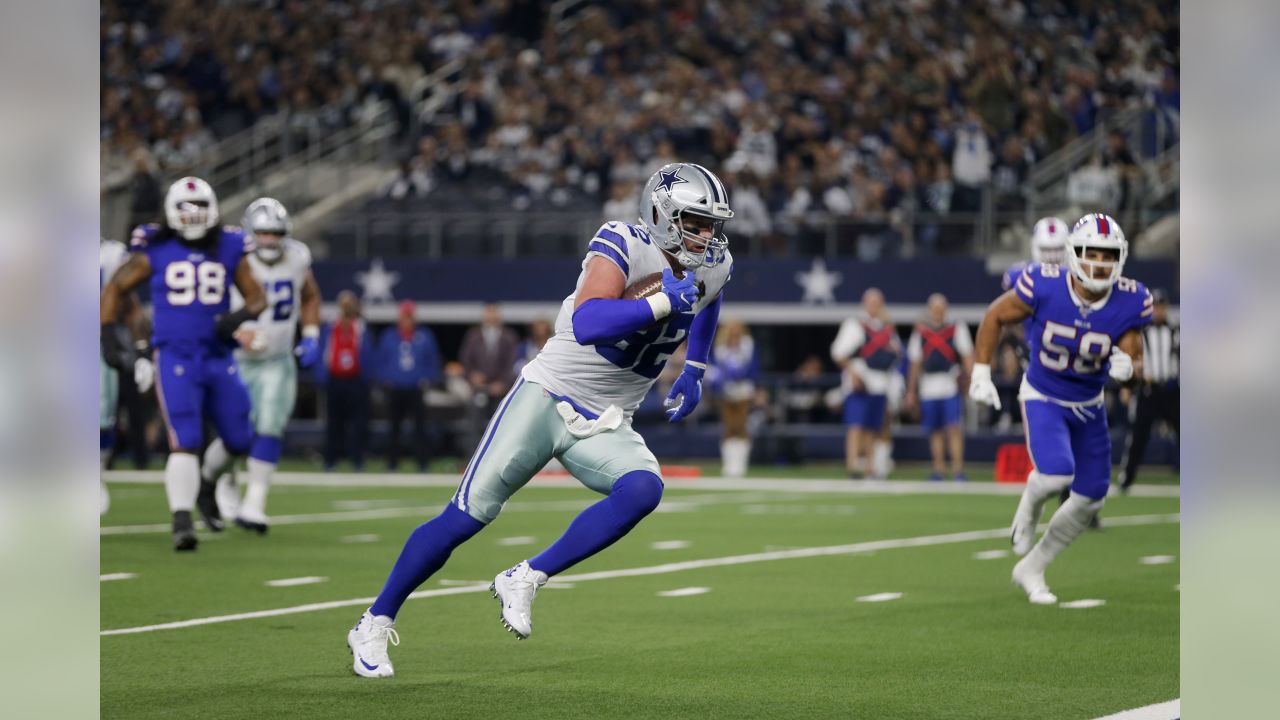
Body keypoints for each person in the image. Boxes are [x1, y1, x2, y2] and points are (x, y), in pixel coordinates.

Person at [346, 162, 734, 678]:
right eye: (695, 222)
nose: (708, 237)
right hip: (548, 396)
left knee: (643, 489)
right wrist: (662, 300)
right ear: (662, 215)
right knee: (465, 517)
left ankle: (527, 576)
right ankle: (374, 621)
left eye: (713, 224)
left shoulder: (713, 261)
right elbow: (588, 320)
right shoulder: (621, 241)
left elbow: (710, 297)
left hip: (609, 417)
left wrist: (697, 366)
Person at [969, 213, 1150, 604]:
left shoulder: (1131, 299)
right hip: (1044, 394)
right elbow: (995, 315)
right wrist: (980, 373)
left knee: (1090, 498)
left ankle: (1033, 568)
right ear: (1072, 254)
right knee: (1054, 476)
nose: (1099, 263)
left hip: (1088, 404)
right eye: (1091, 253)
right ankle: (1030, 502)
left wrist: (1129, 371)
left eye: (1108, 255)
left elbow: (1135, 367)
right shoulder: (1044, 284)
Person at [100, 177, 266, 551]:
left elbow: (257, 297)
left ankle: (207, 484)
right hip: (174, 355)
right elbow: (115, 287)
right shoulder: (154, 247)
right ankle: (181, 521)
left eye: (200, 209)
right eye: (186, 209)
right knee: (185, 439)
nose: (194, 217)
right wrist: (108, 331)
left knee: (240, 437)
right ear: (172, 212)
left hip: (217, 355)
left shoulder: (228, 244)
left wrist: (235, 319)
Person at [201, 198, 323, 533]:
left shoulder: (297, 257)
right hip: (235, 358)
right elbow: (209, 303)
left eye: (276, 232)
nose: (269, 239)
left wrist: (310, 334)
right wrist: (237, 331)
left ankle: (255, 503)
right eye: (263, 232)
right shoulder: (230, 256)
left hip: (277, 360)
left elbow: (310, 295)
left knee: (270, 425)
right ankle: (213, 480)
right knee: (235, 433)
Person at [99, 237, 154, 514]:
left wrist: (142, 350)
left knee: (99, 418)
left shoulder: (108, 255)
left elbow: (130, 306)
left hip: (93, 345)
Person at [831, 288, 902, 479]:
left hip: (880, 382)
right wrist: (853, 373)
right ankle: (853, 464)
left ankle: (871, 465)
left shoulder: (887, 327)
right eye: (871, 303)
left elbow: (897, 354)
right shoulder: (855, 324)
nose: (875, 307)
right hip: (861, 380)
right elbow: (839, 353)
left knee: (873, 426)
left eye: (878, 303)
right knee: (856, 424)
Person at [905, 294, 974, 482]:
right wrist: (911, 391)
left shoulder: (956, 328)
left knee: (953, 428)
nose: (937, 312)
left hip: (949, 383)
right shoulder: (920, 333)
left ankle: (958, 470)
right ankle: (939, 469)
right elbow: (915, 363)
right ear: (929, 310)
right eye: (934, 308)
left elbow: (967, 355)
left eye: (941, 308)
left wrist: (972, 379)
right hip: (928, 386)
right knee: (934, 430)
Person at [1118, 289, 1178, 492]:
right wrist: (1127, 386)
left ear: (1166, 308)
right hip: (1148, 389)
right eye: (1155, 307)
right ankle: (1127, 477)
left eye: (1161, 307)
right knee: (1138, 435)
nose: (1158, 311)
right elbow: (1130, 358)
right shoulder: (1141, 332)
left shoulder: (1175, 332)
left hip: (1170, 390)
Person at [377, 300, 442, 471]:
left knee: (420, 427)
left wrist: (426, 378)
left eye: (409, 317)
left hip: (415, 388)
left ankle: (422, 462)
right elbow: (381, 361)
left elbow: (433, 360)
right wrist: (386, 379)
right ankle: (392, 463)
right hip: (395, 388)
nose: (407, 320)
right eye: (404, 316)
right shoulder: (389, 336)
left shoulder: (424, 336)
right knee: (394, 427)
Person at [321, 291, 376, 471]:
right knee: (334, 422)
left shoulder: (361, 327)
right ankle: (331, 459)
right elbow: (325, 351)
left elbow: (367, 352)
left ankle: (358, 460)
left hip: (356, 380)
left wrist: (366, 377)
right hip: (336, 379)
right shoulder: (331, 326)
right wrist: (322, 376)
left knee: (358, 423)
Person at [458, 302, 520, 431]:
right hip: (478, 388)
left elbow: (512, 363)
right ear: (484, 315)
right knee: (474, 419)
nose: (491, 316)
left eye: (494, 312)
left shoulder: (509, 337)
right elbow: (465, 361)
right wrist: (472, 376)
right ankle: (474, 450)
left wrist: (502, 384)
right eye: (488, 312)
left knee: (502, 422)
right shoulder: (473, 336)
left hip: (501, 389)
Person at [710, 318, 758, 478]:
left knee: (741, 426)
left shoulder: (748, 345)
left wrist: (744, 376)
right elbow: (714, 366)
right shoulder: (720, 347)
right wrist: (721, 378)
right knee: (728, 427)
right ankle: (729, 464)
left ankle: (740, 464)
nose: (735, 331)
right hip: (726, 390)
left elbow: (753, 366)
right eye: (732, 327)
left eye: (738, 327)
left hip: (743, 389)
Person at [1003, 217, 1069, 292]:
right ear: (1034, 246)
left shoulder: (1076, 275)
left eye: (1058, 249)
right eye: (1046, 249)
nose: (1052, 256)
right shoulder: (1018, 275)